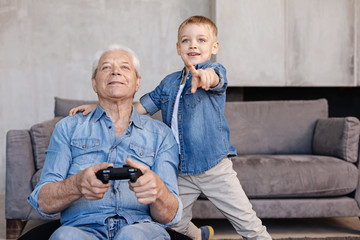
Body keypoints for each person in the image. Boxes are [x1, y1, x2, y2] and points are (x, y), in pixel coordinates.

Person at [70, 16, 271, 240]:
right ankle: (200, 236)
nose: (193, 45)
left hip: (213, 166)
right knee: (173, 222)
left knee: (246, 221)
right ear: (178, 48)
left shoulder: (213, 71)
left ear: (214, 47)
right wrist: (100, 106)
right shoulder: (169, 83)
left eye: (201, 40)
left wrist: (205, 77)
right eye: (186, 41)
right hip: (181, 170)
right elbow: (139, 108)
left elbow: (216, 79)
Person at [28, 44, 183, 240]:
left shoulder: (161, 134)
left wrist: (159, 192)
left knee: (131, 236)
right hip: (81, 228)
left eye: (125, 67)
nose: (116, 71)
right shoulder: (67, 128)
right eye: (106, 67)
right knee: (65, 237)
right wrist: (76, 184)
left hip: (141, 228)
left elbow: (170, 216)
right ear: (94, 83)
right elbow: (43, 202)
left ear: (137, 83)